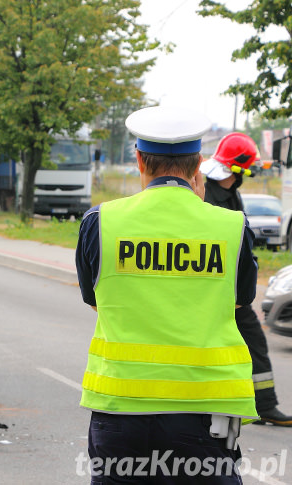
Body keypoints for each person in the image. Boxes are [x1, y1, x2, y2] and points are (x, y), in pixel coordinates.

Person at [75, 106, 258, 483]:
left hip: (120, 412)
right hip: (206, 415)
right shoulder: (231, 227)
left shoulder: (101, 222)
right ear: (199, 165)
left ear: (139, 159)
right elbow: (239, 301)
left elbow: (96, 300)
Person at [200, 132, 292, 427]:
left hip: (233, 292)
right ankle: (200, 405)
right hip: (210, 291)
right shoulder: (205, 192)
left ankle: (264, 405)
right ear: (238, 168)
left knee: (254, 343)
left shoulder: (229, 193)